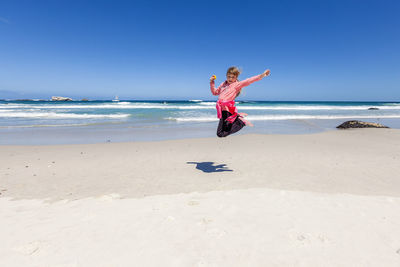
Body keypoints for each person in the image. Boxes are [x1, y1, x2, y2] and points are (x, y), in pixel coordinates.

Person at [210, 66, 270, 137]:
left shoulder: (237, 85)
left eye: (233, 77)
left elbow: (249, 80)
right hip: (221, 110)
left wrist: (262, 75)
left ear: (236, 77)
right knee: (220, 133)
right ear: (226, 76)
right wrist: (212, 82)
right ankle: (237, 120)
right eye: (229, 76)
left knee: (220, 134)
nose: (230, 79)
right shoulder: (223, 84)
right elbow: (214, 92)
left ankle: (241, 123)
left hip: (228, 110)